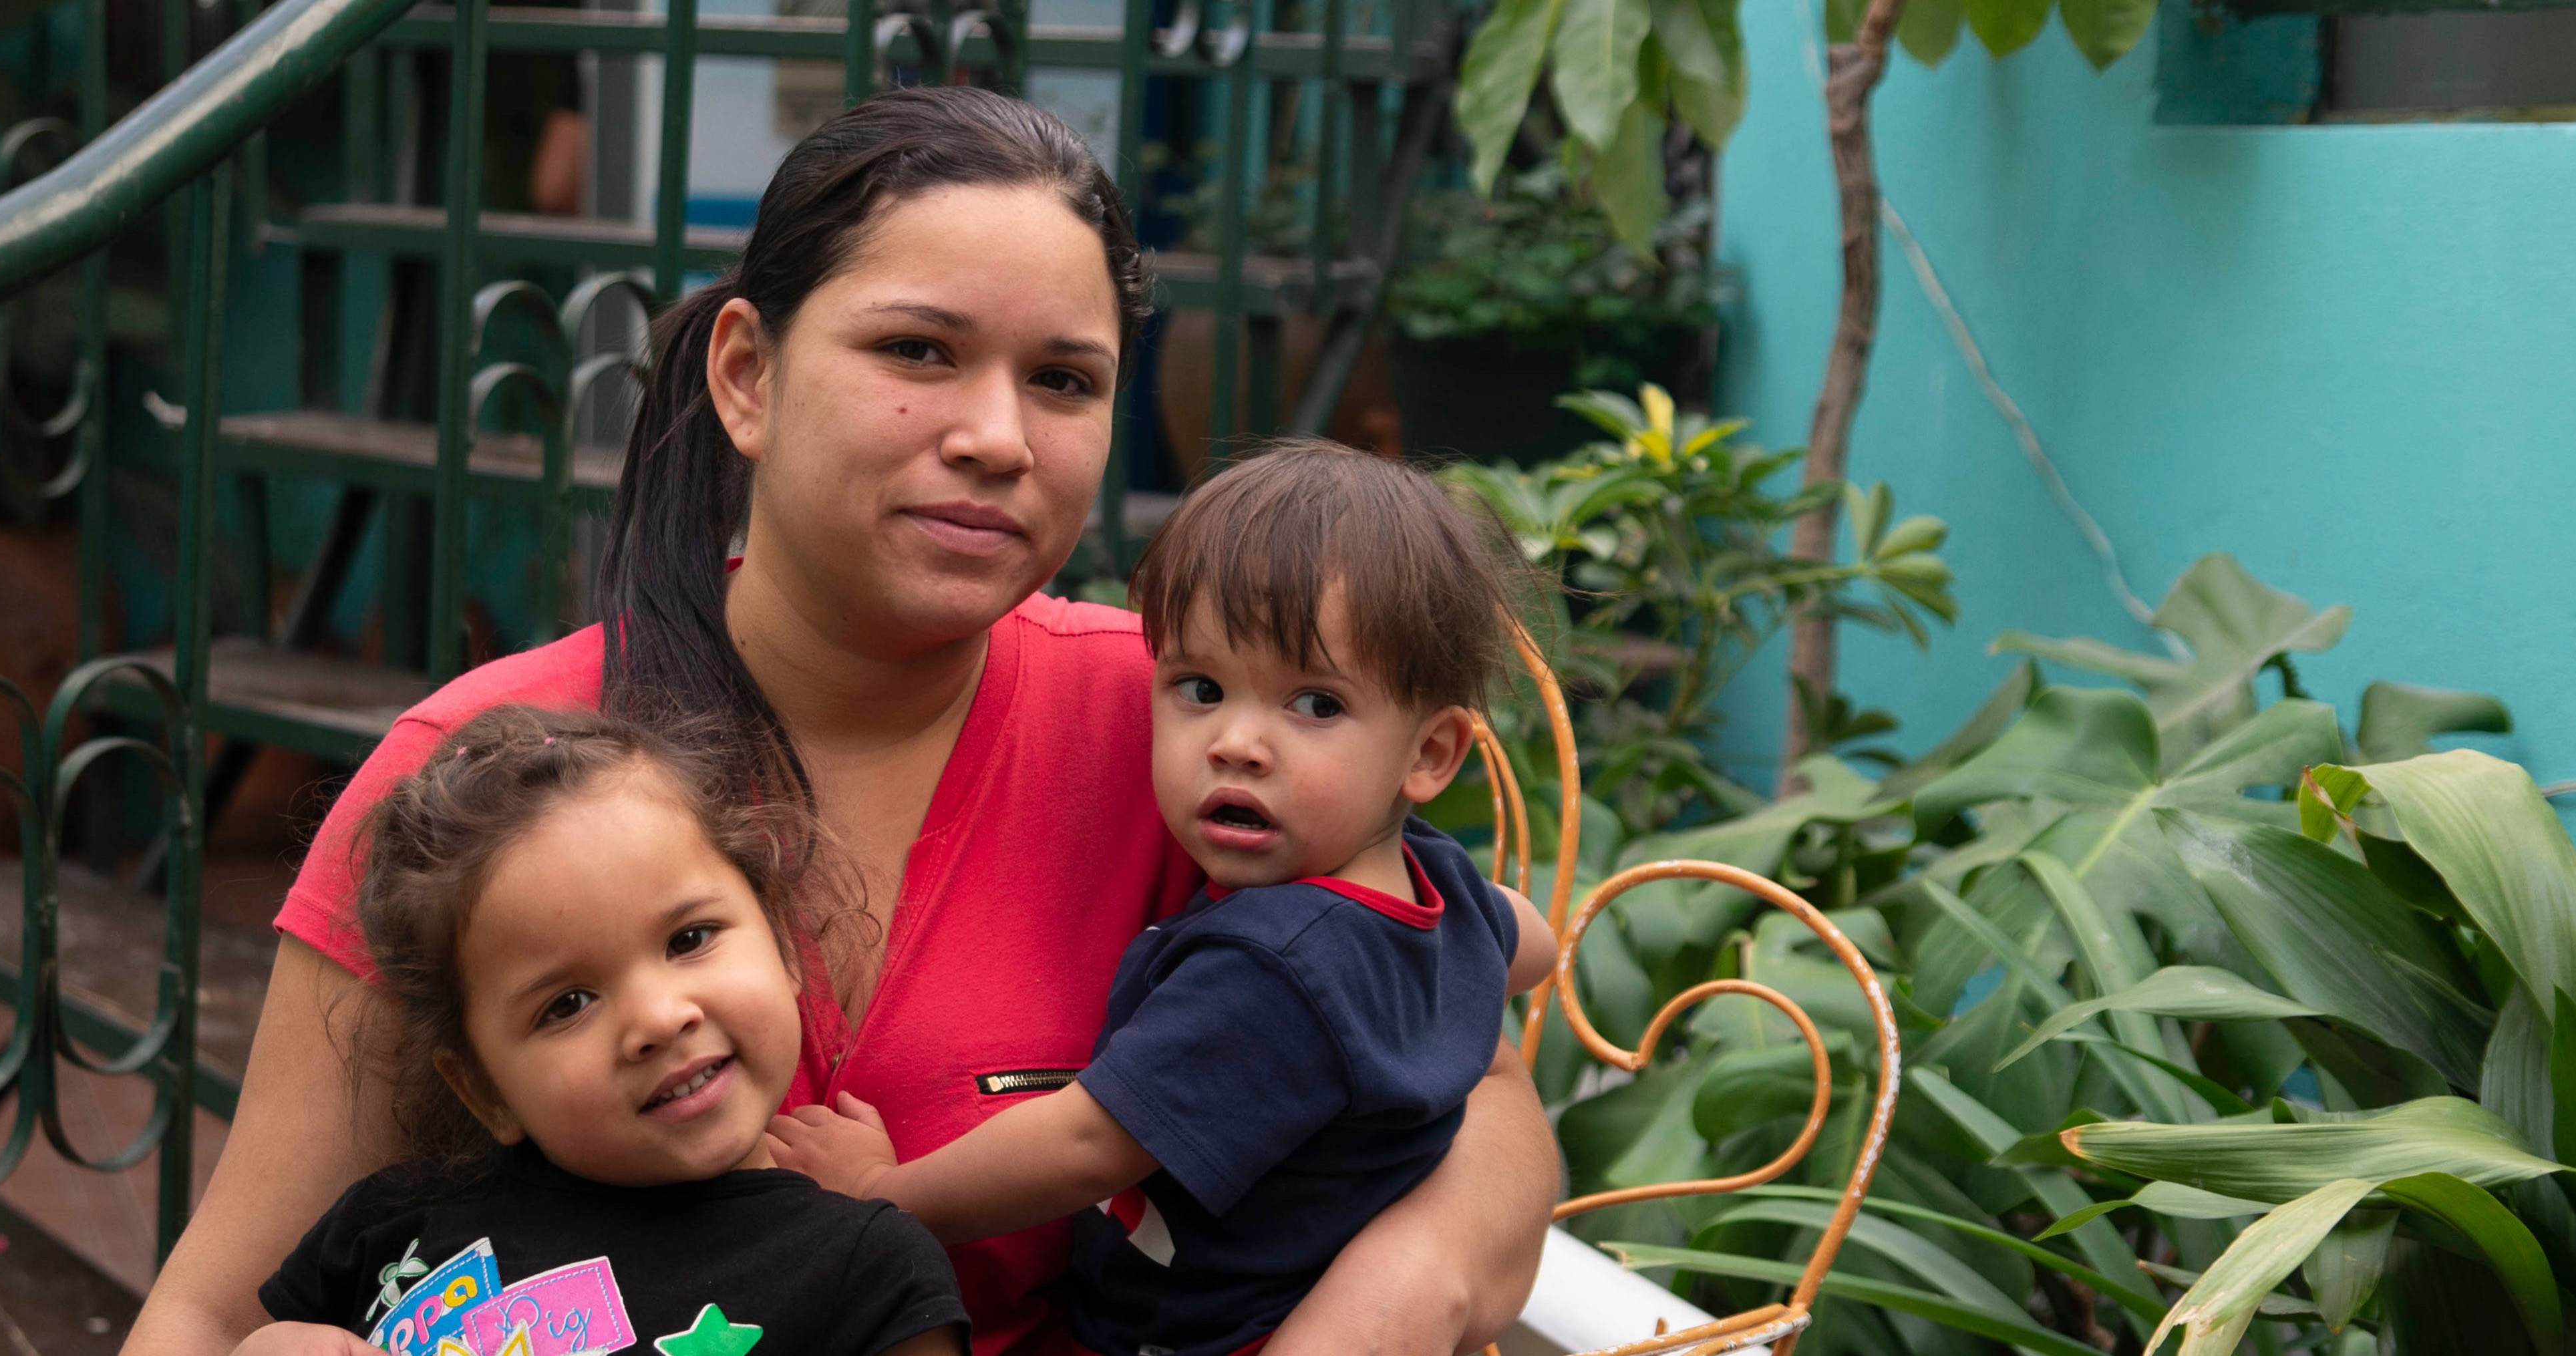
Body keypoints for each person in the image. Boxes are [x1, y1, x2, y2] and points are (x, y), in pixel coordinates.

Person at [128, 86, 1554, 1356]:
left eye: (1062, 379)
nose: (997, 435)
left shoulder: (1191, 734)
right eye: (918, 350)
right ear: (747, 376)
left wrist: (1405, 1290)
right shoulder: (499, 779)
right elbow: (219, 1310)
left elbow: (1467, 1077)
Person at [763, 444, 1554, 1356]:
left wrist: (884, 1192)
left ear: (1429, 754)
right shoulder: (1437, 885)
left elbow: (1081, 1146)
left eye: (1315, 705)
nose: (1237, 743)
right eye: (1200, 688)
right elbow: (1525, 944)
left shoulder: (1267, 969)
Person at [244, 707, 967, 1356]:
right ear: (482, 1089)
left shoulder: (867, 1272)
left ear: (780, 941)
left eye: (689, 938)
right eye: (568, 1004)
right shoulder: (390, 1222)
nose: (658, 1017)